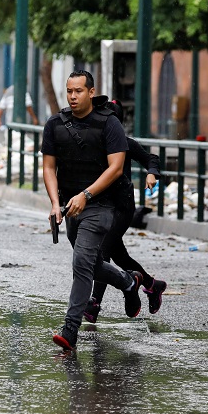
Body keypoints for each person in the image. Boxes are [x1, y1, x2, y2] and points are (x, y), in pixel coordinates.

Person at [42, 70, 143, 351]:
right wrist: (54, 202)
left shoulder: (109, 124)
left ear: (91, 92)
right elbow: (49, 167)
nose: (73, 96)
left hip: (101, 204)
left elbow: (116, 168)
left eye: (78, 91)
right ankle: (127, 282)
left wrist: (86, 194)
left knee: (81, 263)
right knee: (91, 263)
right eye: (69, 91)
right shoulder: (54, 123)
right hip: (71, 205)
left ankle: (70, 330)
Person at [83, 98, 167, 323]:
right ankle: (151, 285)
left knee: (101, 251)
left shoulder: (125, 143)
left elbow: (151, 158)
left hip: (122, 207)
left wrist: (151, 173)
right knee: (119, 255)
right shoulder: (94, 142)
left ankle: (94, 303)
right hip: (101, 206)